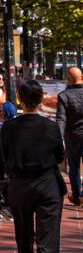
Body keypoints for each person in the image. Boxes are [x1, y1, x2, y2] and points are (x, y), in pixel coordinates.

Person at [0, 79, 66, 253]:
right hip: (47, 184)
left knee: (24, 234)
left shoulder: (9, 127)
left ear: (20, 99)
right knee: (48, 237)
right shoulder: (50, 127)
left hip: (20, 185)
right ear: (40, 100)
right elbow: (59, 156)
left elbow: (3, 157)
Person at [56, 65, 83, 207]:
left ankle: (77, 195)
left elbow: (61, 118)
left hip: (72, 136)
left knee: (74, 166)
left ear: (68, 80)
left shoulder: (64, 96)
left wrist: (58, 138)